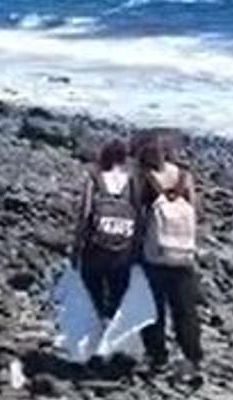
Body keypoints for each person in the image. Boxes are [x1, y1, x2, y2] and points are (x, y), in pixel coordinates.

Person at [136, 137, 203, 377]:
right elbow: (195, 211)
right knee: (185, 310)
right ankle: (192, 358)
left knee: (153, 309)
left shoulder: (145, 179)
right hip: (183, 254)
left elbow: (138, 216)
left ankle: (158, 357)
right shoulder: (185, 177)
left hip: (155, 254)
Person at [73, 139, 140, 320]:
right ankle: (110, 328)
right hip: (123, 247)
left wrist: (77, 245)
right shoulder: (132, 181)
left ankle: (97, 322)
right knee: (118, 291)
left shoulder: (95, 177)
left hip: (96, 247)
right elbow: (139, 214)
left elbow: (85, 213)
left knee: (92, 286)